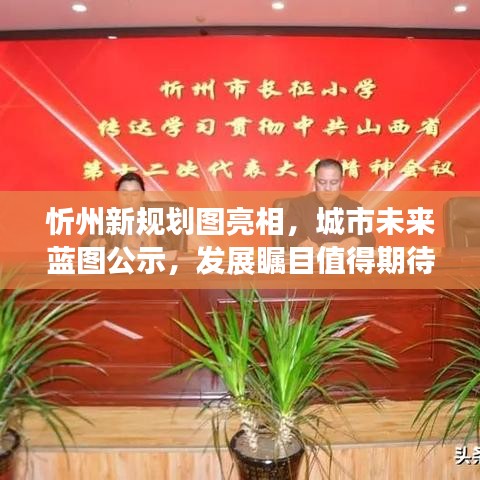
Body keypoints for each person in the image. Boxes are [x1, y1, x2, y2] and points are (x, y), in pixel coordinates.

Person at [283, 159, 376, 251]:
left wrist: (356, 240)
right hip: (310, 259)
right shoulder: (298, 205)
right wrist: (302, 243)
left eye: (333, 183)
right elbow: (289, 235)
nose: (327, 188)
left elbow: (368, 237)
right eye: (322, 182)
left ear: (341, 183)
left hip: (342, 260)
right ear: (315, 182)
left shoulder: (353, 207)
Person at [86, 172, 156, 255]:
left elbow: (168, 246)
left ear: (143, 195)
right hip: (118, 262)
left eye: (134, 194)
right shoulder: (109, 219)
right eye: (124, 194)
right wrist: (95, 243)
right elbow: (86, 242)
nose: (129, 199)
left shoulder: (157, 218)